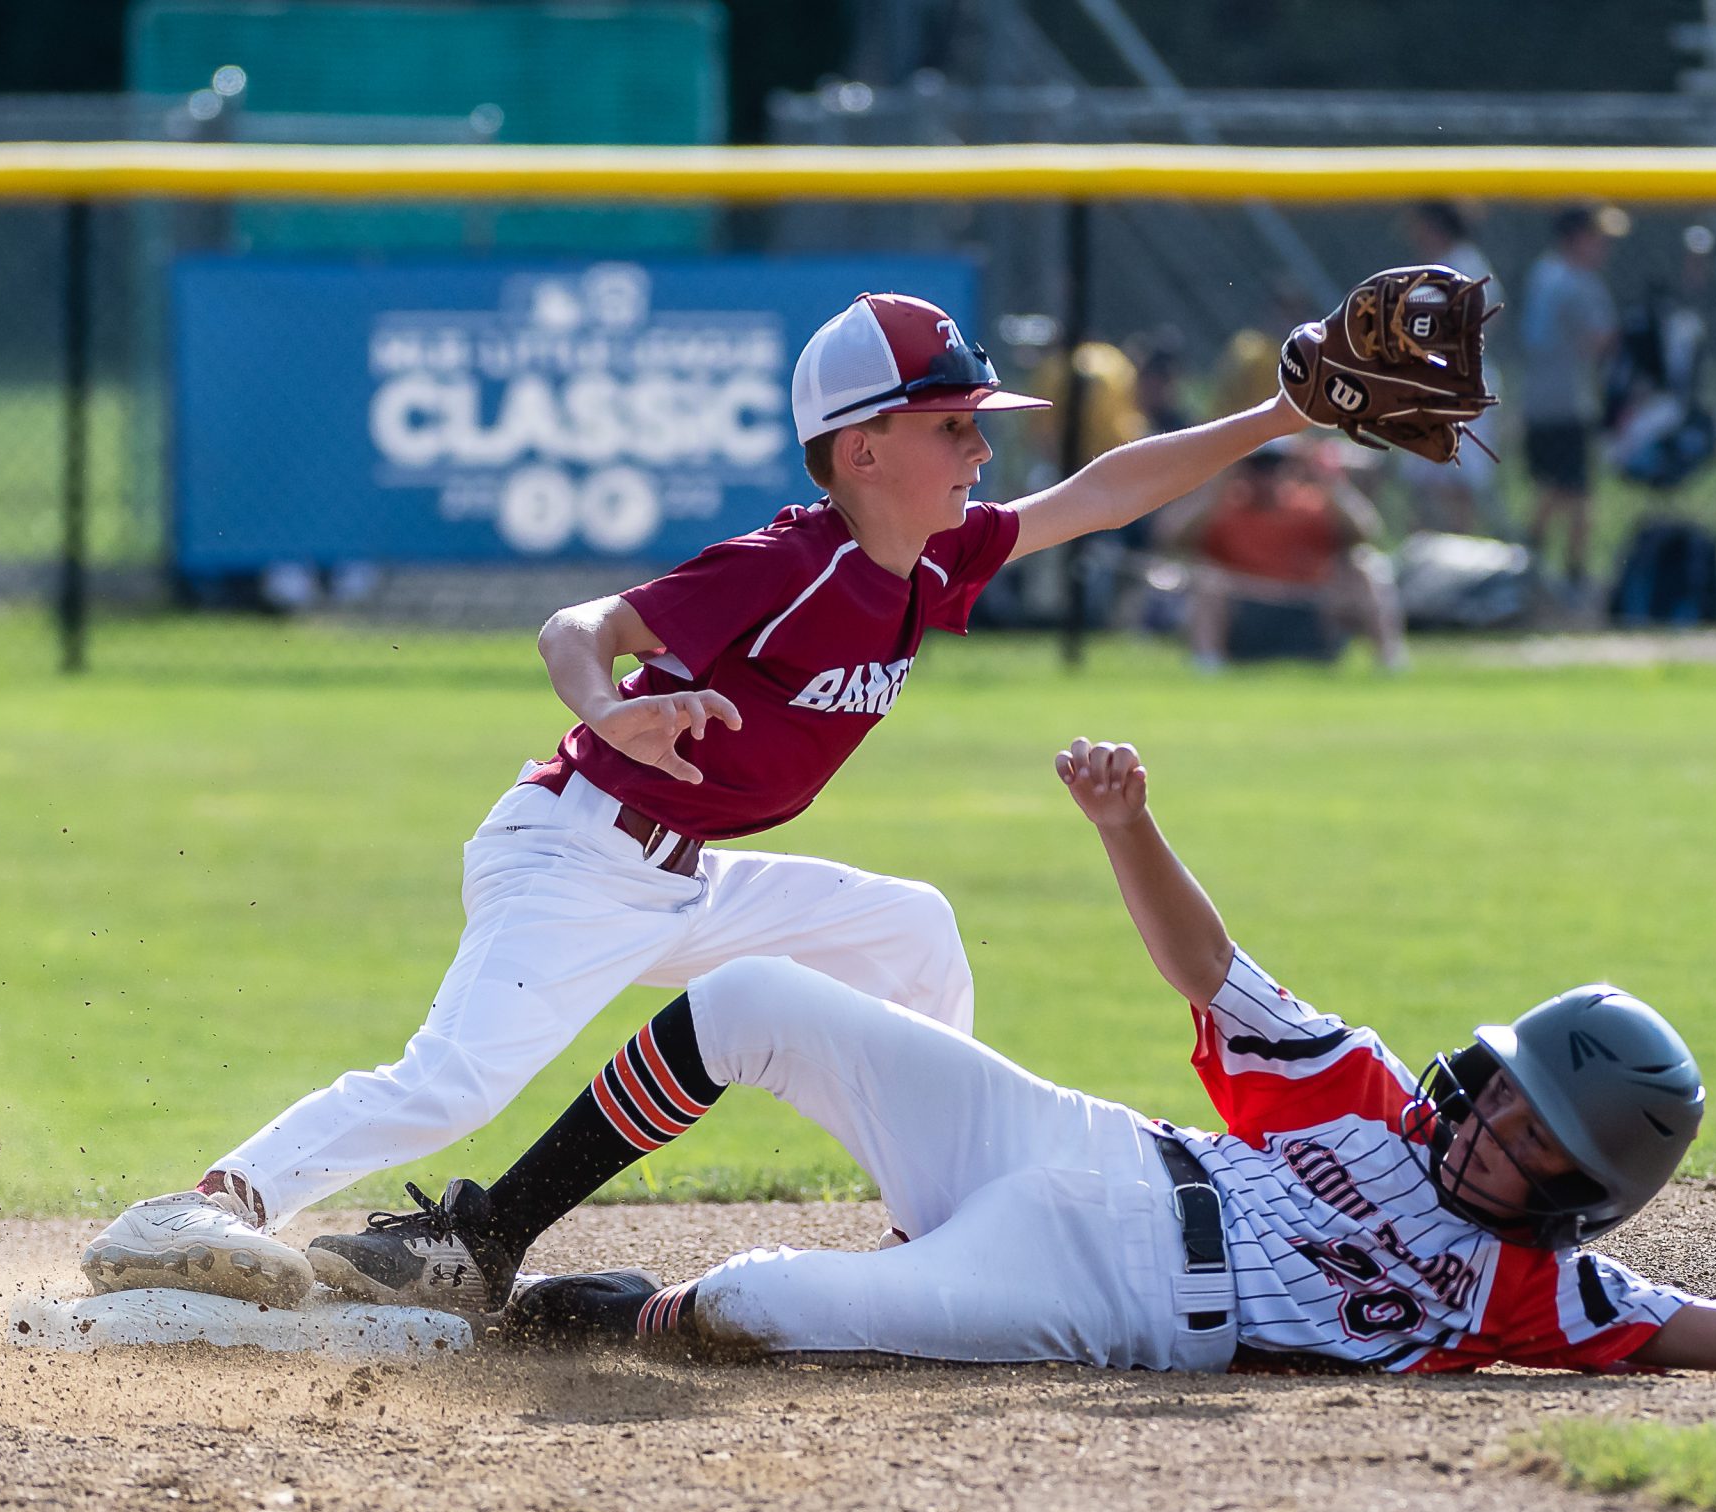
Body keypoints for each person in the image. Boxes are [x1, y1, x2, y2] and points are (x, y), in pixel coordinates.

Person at [80, 290, 1317, 1312]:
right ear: (863, 448)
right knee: (452, 1081)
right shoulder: (785, 564)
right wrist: (607, 706)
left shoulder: (926, 562)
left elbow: (1097, 496)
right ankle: (207, 1204)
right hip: (575, 858)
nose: (981, 450)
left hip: (687, 877)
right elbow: (582, 624)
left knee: (911, 931)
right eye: (952, 425)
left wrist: (1275, 411)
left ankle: (938, 1233)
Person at [311, 739, 1716, 1387]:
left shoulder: (1547, 1293)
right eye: (1505, 1082)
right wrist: (1131, 826)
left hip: (1103, 1286)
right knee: (750, 1001)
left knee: (762, 1313)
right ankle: (484, 1235)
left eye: (1533, 1130)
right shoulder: (1363, 1100)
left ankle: (555, 1321)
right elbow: (1216, 970)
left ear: (1584, 1190)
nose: (1489, 1118)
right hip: (1085, 1146)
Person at [1165, 441, 1407, 671]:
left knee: (1366, 566)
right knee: (1207, 580)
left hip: (1309, 612)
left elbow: (1368, 532)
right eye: (1257, 466)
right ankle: (1207, 665)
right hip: (1248, 614)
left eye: (1275, 465)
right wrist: (1219, 480)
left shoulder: (1313, 505)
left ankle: (1390, 660)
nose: (1266, 475)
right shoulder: (1225, 508)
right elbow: (1170, 538)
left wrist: (1326, 477)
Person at [1520, 204, 1621, 611]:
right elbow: (1599, 341)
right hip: (1570, 401)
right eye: (1597, 238)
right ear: (1577, 237)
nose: (1603, 249)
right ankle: (1572, 577)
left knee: (1550, 487)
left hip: (1538, 397)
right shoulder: (1580, 282)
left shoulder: (1542, 273)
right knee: (1576, 495)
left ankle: (1526, 567)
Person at [1394, 201, 1506, 536]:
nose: (1415, 235)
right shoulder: (1434, 266)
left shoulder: (1464, 262)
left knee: (1459, 487)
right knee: (1423, 484)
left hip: (1459, 384)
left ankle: (1458, 565)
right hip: (1429, 382)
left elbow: (1487, 320)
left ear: (1436, 226)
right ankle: (1422, 561)